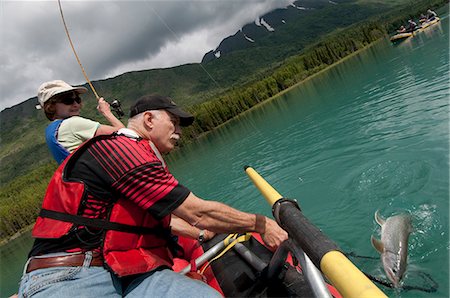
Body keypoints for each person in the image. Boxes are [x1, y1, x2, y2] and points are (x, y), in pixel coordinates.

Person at [18, 94, 288, 297]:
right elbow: (198, 213)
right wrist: (261, 224)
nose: (179, 133)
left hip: (123, 271)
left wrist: (202, 236)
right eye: (174, 123)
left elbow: (167, 220)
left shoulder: (137, 155)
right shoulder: (122, 151)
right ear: (149, 120)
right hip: (71, 275)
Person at [37, 80, 125, 164]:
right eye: (68, 100)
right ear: (51, 107)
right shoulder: (72, 123)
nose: (76, 104)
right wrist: (107, 112)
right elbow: (126, 135)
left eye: (77, 99)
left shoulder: (53, 130)